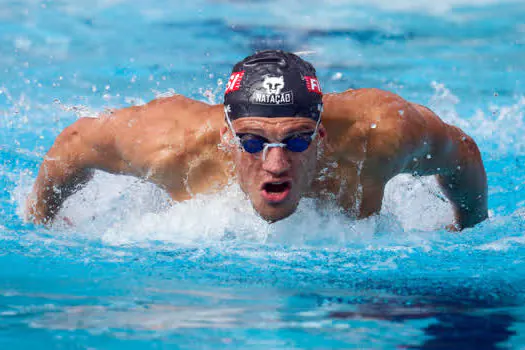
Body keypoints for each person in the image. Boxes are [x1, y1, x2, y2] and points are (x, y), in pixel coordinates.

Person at [25, 50, 488, 230]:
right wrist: (42, 220)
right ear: (227, 138)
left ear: (322, 136)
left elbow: (463, 155)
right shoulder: (172, 148)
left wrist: (467, 228)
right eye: (252, 142)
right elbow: (73, 143)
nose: (275, 163)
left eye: (298, 141)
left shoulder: (379, 136)